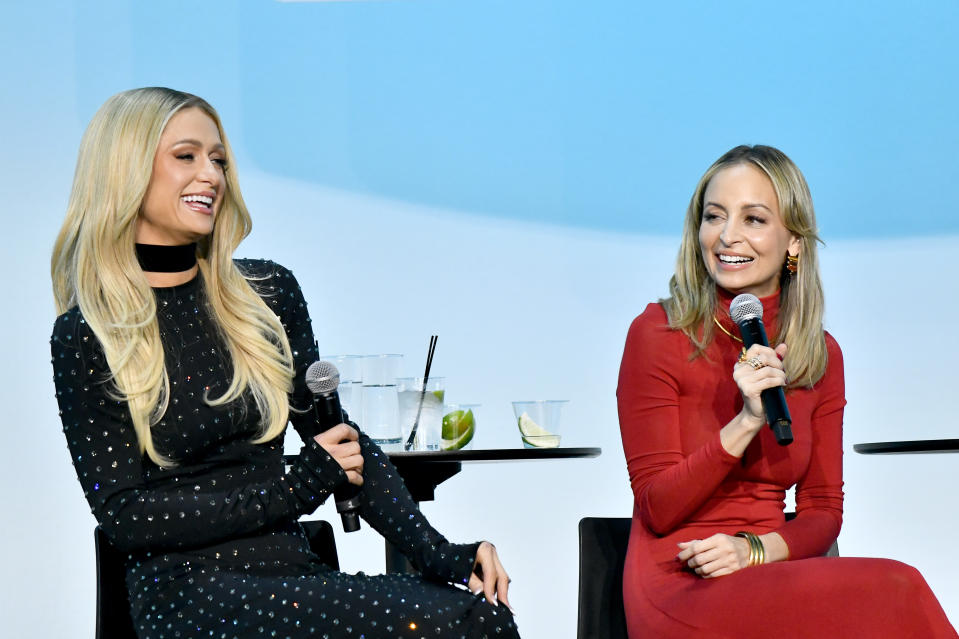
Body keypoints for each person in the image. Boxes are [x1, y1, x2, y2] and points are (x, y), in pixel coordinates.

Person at [50, 87, 518, 639]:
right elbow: (127, 517)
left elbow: (340, 443)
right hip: (189, 592)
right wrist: (294, 489)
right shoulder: (88, 333)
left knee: (479, 617)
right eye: (187, 156)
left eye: (219, 159)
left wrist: (443, 555)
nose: (211, 176)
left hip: (293, 573)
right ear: (125, 169)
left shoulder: (265, 294)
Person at [616, 145, 956, 637]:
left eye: (753, 219)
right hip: (680, 580)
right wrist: (747, 421)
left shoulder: (819, 354)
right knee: (896, 586)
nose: (728, 235)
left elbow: (822, 511)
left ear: (793, 241)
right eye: (714, 217)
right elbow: (657, 508)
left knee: (897, 589)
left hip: (767, 568)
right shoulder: (658, 333)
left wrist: (752, 549)